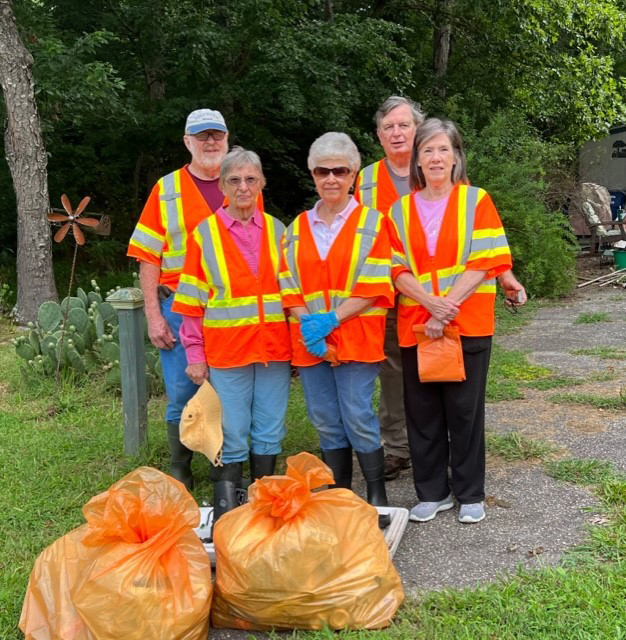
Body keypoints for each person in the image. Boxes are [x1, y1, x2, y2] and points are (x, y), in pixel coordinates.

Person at [356, 96, 527, 481]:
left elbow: (477, 240)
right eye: (388, 127)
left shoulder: (455, 184)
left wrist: (504, 275)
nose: (397, 133)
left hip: (450, 306)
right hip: (387, 293)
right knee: (397, 379)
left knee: (451, 389)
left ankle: (458, 474)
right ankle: (400, 450)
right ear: (379, 136)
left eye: (404, 125)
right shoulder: (364, 179)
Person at [128, 109, 261, 490]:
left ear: (227, 138)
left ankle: (226, 465)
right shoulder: (166, 189)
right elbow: (148, 258)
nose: (210, 143)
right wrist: (154, 317)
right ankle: (180, 467)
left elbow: (259, 249)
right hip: (178, 308)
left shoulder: (244, 185)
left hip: (231, 310)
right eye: (201, 136)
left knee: (230, 390)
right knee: (184, 390)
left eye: (216, 135)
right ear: (187, 142)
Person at [389, 118, 512, 524]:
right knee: (422, 412)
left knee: (464, 410)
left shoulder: (476, 200)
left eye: (444, 149)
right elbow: (394, 268)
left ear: (457, 156)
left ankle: (469, 492)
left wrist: (447, 306)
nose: (436, 158)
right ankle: (431, 492)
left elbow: (486, 260)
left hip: (468, 321)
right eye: (428, 151)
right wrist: (430, 304)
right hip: (417, 322)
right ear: (416, 160)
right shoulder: (398, 210)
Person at [279, 132, 394, 528]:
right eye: (322, 170)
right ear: (312, 174)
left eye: (339, 170)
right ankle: (340, 495)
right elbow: (286, 283)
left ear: (353, 175)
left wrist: (331, 319)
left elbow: (376, 283)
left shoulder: (373, 223)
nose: (331, 178)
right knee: (325, 418)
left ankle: (376, 495)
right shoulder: (296, 227)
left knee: (358, 414)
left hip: (357, 338)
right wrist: (308, 323)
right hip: (310, 343)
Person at [172, 147, 291, 527]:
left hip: (274, 349)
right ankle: (229, 510)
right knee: (232, 429)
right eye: (235, 180)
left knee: (270, 426)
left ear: (262, 184)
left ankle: (264, 501)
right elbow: (191, 302)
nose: (243, 187)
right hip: (227, 351)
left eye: (250, 179)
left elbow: (293, 294)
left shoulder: (278, 231)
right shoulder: (203, 235)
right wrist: (194, 354)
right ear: (222, 185)